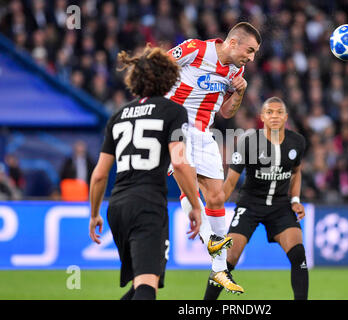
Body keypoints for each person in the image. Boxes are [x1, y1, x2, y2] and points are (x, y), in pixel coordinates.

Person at [88, 44, 201, 300]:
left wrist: (94, 214)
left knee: (141, 284)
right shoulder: (173, 111)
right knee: (147, 288)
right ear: (169, 77)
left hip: (117, 207)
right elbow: (180, 163)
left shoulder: (118, 115)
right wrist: (196, 205)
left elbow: (99, 175)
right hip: (148, 205)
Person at [165, 22, 261, 294]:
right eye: (250, 50)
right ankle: (213, 245)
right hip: (173, 125)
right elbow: (159, 67)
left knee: (217, 196)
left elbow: (228, 113)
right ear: (233, 43)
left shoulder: (236, 70)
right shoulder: (195, 49)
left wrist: (239, 91)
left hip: (204, 133)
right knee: (189, 182)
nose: (251, 57)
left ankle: (218, 269)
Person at [203, 97, 309, 300]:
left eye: (279, 112)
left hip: (280, 206)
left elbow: (296, 172)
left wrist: (295, 199)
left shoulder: (297, 142)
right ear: (262, 117)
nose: (275, 116)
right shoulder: (249, 141)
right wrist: (214, 209)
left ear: (286, 117)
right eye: (270, 112)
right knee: (229, 259)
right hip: (250, 205)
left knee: (298, 255)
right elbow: (231, 182)